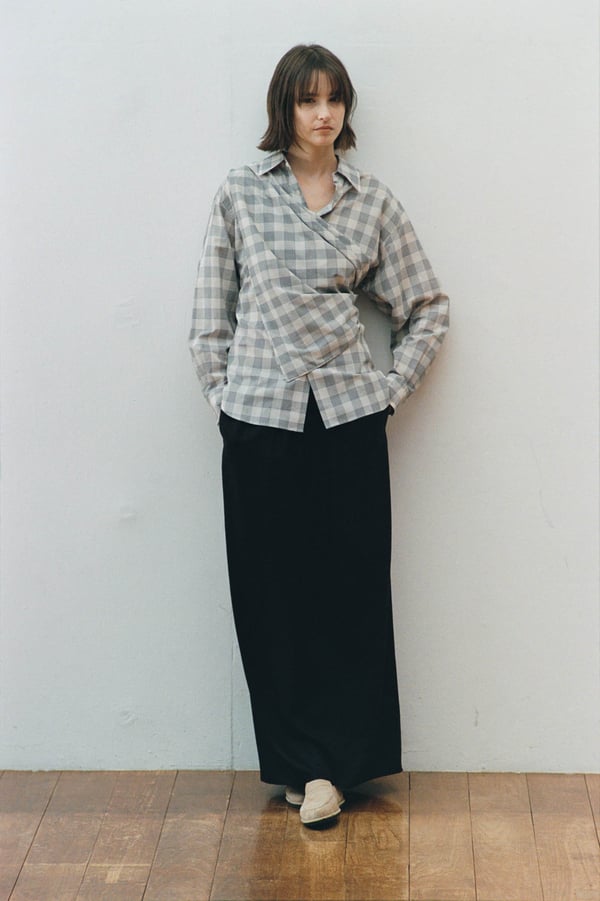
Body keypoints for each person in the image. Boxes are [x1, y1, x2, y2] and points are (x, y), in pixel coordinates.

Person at [189, 44, 449, 827]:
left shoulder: (372, 203)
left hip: (346, 419)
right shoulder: (242, 192)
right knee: (269, 595)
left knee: (351, 592)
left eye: (334, 99)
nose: (323, 114)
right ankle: (302, 765)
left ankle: (337, 764)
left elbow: (427, 305)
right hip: (260, 421)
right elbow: (211, 315)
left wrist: (390, 390)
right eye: (307, 100)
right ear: (285, 108)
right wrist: (226, 399)